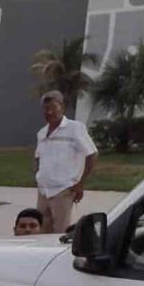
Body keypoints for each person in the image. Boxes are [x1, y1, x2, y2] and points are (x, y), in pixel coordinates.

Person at [34, 90, 98, 234]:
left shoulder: (75, 128)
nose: (49, 112)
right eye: (46, 109)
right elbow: (37, 157)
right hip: (43, 191)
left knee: (60, 233)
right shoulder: (42, 133)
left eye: (53, 108)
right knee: (41, 232)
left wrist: (81, 184)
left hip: (63, 190)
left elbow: (92, 154)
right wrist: (37, 176)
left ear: (62, 107)